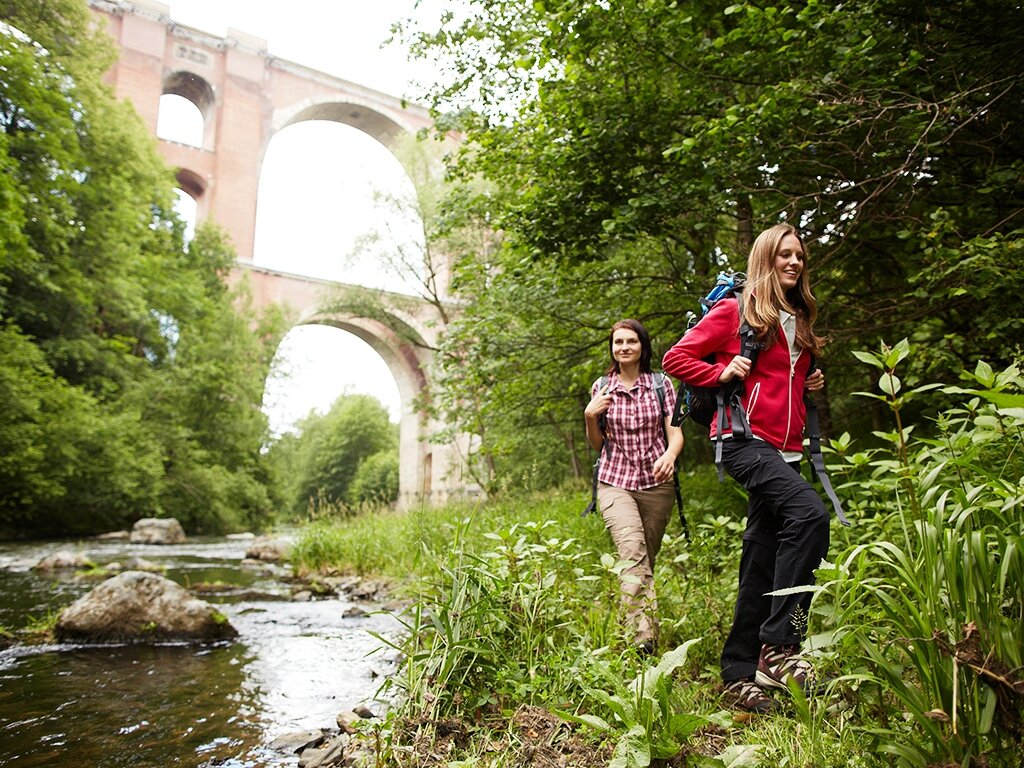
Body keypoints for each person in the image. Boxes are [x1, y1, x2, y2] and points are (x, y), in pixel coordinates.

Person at [662, 223, 832, 713]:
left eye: (799, 255)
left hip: (789, 448)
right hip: (742, 440)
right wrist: (722, 371)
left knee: (761, 554)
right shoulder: (735, 311)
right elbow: (677, 356)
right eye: (784, 255)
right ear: (765, 259)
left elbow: (784, 377)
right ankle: (779, 646)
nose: (794, 262)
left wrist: (808, 380)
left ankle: (739, 669)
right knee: (810, 517)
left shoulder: (797, 316)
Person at [585, 319, 685, 655]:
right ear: (612, 348)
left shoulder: (661, 385)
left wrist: (671, 455)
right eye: (618, 342)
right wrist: (589, 416)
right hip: (615, 482)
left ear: (642, 346)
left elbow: (675, 433)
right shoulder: (602, 387)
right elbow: (598, 445)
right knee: (632, 554)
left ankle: (625, 625)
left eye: (630, 341)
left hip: (657, 484)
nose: (624, 347)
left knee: (644, 562)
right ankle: (644, 640)